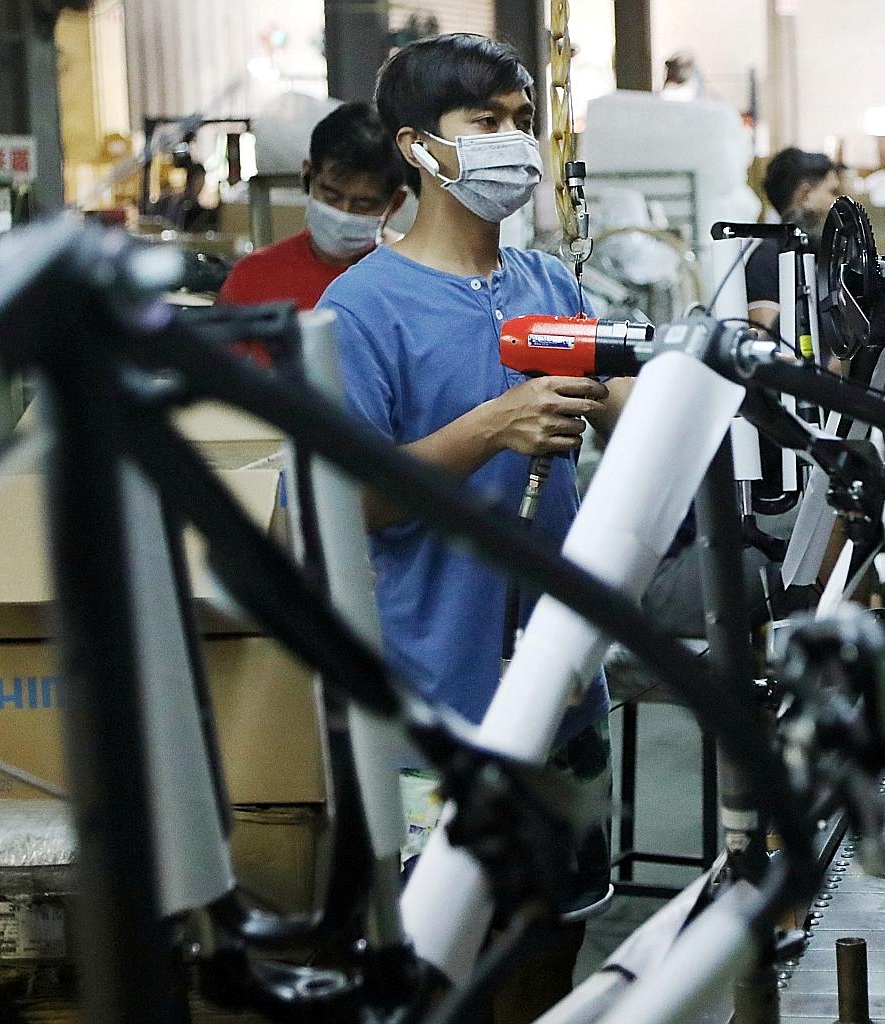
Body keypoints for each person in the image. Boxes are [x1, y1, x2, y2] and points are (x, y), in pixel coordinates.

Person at [320, 33, 629, 1020]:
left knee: (551, 941)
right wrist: (492, 427)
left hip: (565, 700)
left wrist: (673, 376)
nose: (514, 143)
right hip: (438, 707)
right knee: (444, 957)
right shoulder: (359, 311)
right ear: (419, 147)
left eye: (523, 123)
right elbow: (344, 499)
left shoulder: (551, 287)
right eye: (485, 123)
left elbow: (634, 414)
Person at [219, 102, 405, 313]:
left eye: (364, 204)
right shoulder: (253, 278)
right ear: (307, 176)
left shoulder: (412, 284)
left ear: (396, 202)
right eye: (331, 195)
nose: (343, 213)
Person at [746, 147, 840, 330]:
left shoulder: (829, 256)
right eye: (832, 192)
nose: (838, 202)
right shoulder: (767, 259)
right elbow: (768, 340)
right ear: (805, 195)